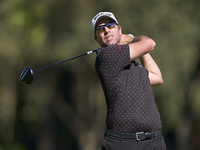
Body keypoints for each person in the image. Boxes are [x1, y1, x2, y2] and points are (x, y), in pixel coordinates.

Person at [92, 12, 166, 150]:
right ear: (97, 38)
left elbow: (157, 78)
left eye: (110, 25)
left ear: (119, 29)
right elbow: (150, 43)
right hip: (123, 143)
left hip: (154, 141)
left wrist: (139, 48)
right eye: (100, 29)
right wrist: (132, 39)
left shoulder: (132, 64)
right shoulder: (106, 56)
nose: (106, 30)